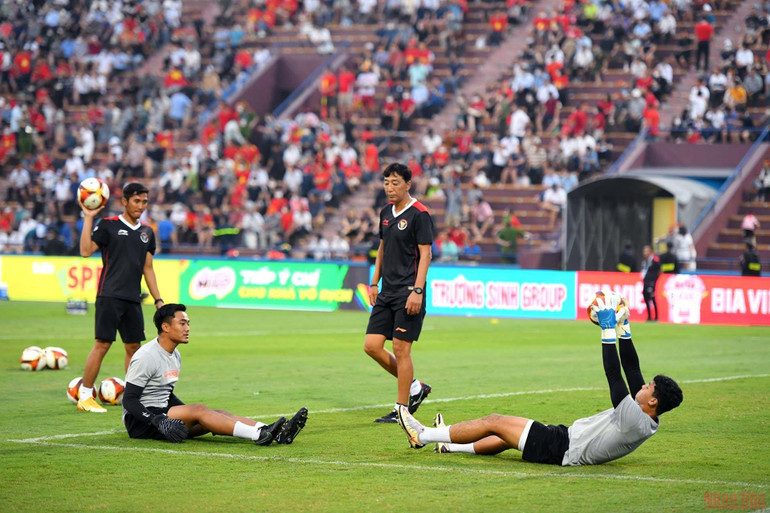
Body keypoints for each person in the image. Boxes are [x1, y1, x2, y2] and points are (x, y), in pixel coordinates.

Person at [395, 292, 683, 466]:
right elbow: (632, 370)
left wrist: (607, 331)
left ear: (653, 400)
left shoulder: (634, 417)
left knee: (494, 420)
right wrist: (625, 327)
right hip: (566, 441)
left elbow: (615, 376)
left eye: (648, 387)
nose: (643, 385)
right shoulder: (648, 418)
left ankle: (422, 435)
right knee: (506, 437)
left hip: (562, 449)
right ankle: (450, 445)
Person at [123, 303, 308, 444]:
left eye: (188, 323)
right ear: (165, 327)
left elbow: (166, 393)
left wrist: (190, 413)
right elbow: (129, 400)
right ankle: (258, 435)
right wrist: (158, 420)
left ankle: (270, 430)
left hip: (163, 416)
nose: (187, 328)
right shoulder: (146, 356)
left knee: (216, 413)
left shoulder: (175, 355)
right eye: (182, 323)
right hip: (141, 423)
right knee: (200, 410)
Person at [76, 182, 164, 413]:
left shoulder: (147, 232)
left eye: (144, 201)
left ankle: (132, 399)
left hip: (133, 298)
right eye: (136, 201)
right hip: (109, 295)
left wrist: (158, 300)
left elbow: (148, 269)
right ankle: (85, 395)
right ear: (124, 201)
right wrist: (88, 217)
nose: (141, 206)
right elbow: (86, 251)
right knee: (102, 344)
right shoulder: (108, 225)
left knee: (134, 348)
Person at [364, 163, 433, 424]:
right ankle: (415, 386)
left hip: (408, 292)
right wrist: (373, 283)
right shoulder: (385, 213)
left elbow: (425, 254)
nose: (389, 187)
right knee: (371, 346)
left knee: (401, 349)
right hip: (386, 292)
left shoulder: (419, 214)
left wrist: (418, 290)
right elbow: (382, 249)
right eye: (386, 182)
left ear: (407, 184)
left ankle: (401, 409)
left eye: (395, 182)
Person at [641, 245, 661, 322]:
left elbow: (659, 271)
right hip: (645, 282)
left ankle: (656, 317)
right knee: (646, 298)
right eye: (644, 251)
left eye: (646, 251)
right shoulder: (645, 261)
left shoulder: (655, 260)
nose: (645, 253)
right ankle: (649, 316)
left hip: (652, 282)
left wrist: (654, 280)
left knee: (652, 299)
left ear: (650, 251)